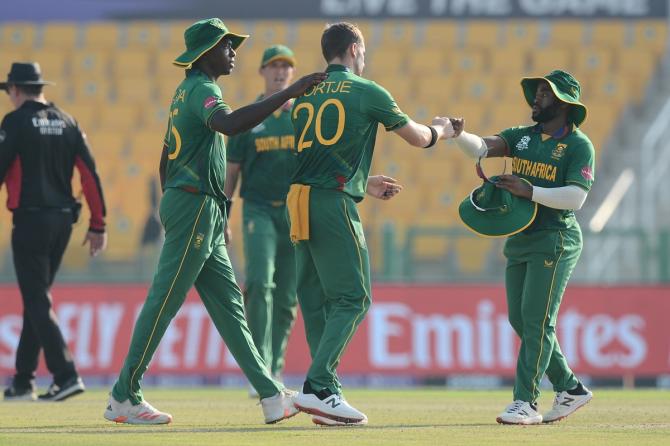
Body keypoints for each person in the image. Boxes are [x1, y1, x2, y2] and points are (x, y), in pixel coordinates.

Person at [102, 18, 327, 425]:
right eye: (227, 46)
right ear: (206, 52)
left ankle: (271, 396)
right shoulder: (203, 90)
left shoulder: (184, 92)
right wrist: (291, 91)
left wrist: (174, 200)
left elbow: (165, 155)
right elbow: (230, 124)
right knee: (164, 299)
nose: (233, 53)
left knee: (230, 308)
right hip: (195, 207)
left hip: (199, 207)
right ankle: (124, 395)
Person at [288, 22, 455, 426]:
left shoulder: (306, 94)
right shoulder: (367, 91)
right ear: (352, 48)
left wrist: (363, 183)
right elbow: (417, 138)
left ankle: (324, 394)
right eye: (362, 51)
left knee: (316, 302)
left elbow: (320, 156)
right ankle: (319, 387)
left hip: (298, 200)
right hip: (331, 203)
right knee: (354, 298)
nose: (365, 58)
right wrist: (443, 131)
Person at [453, 69, 595, 425]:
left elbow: (576, 198)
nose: (536, 99)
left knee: (537, 321)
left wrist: (530, 191)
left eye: (545, 94)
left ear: (564, 103)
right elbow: (482, 147)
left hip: (556, 238)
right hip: (521, 236)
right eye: (537, 93)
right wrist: (458, 135)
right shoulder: (522, 136)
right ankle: (571, 388)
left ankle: (526, 402)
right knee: (522, 320)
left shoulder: (579, 145)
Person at [0, 62, 107, 402]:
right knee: (38, 299)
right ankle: (22, 381)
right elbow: (90, 175)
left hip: (30, 220)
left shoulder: (14, 122)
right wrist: (98, 225)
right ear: (40, 88)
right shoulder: (68, 121)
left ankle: (66, 374)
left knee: (35, 298)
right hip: (63, 222)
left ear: (15, 90)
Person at [224, 45, 299, 398]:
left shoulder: (303, 116)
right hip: (257, 209)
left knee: (285, 297)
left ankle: (276, 368)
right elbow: (231, 173)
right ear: (262, 72)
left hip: (294, 211)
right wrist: (223, 215)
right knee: (258, 282)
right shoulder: (250, 117)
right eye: (274, 66)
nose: (280, 72)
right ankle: (261, 368)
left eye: (286, 67)